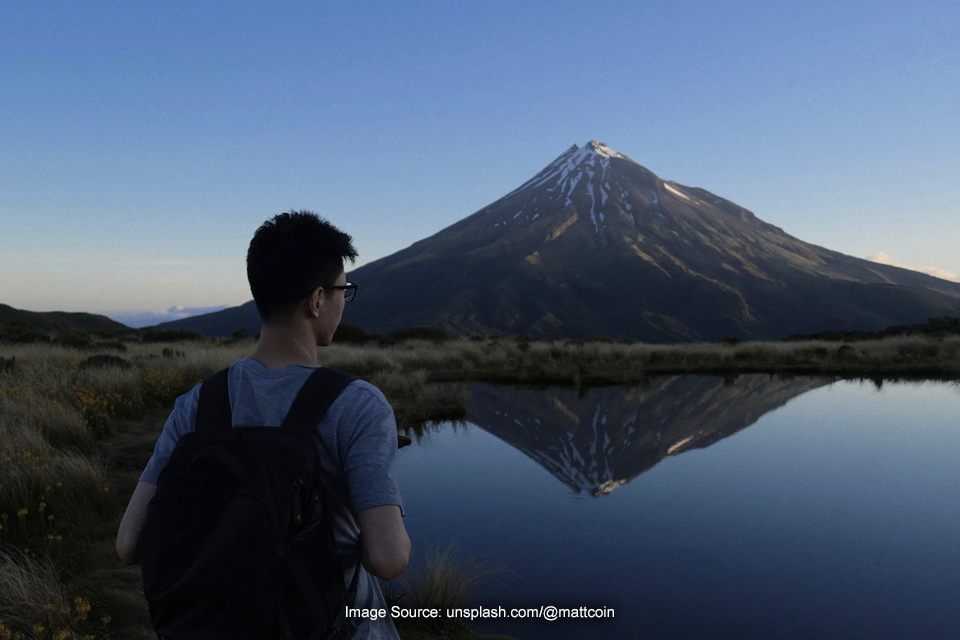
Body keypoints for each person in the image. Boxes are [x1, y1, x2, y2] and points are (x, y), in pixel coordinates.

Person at [116, 210, 410, 639]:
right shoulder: (358, 404)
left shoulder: (196, 404)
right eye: (342, 293)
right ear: (316, 300)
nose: (341, 304)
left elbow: (128, 545)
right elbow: (388, 560)